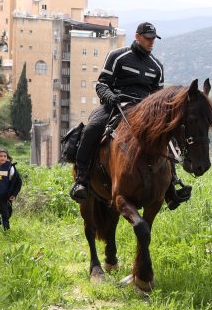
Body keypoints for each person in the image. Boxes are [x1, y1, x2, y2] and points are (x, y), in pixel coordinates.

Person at [69, 22, 191, 209]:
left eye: (153, 39)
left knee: (167, 136)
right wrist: (111, 97)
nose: (151, 42)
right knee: (92, 129)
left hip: (144, 112)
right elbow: (102, 84)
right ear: (137, 37)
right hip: (115, 106)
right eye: (148, 38)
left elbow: (157, 96)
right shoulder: (118, 56)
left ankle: (171, 184)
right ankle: (82, 180)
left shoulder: (156, 66)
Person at [0, 148, 22, 230]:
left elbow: (18, 182)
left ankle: (7, 233)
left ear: (7, 157)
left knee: (7, 214)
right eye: (0, 156)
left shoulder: (10, 168)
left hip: (4, 197)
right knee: (4, 216)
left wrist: (14, 194)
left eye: (4, 156)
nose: (2, 158)